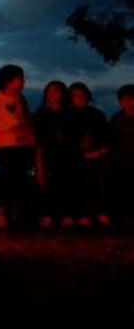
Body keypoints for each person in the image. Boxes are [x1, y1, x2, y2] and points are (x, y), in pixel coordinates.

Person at [0, 65, 36, 229]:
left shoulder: (21, 100)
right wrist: (9, 124)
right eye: (20, 79)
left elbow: (27, 121)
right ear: (9, 81)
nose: (23, 82)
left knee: (21, 179)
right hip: (5, 145)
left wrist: (30, 138)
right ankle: (2, 211)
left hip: (23, 144)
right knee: (7, 178)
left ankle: (18, 213)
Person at [32, 80, 79, 229]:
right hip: (48, 154)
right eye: (50, 90)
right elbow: (37, 141)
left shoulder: (71, 114)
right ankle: (47, 214)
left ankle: (68, 214)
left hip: (68, 154)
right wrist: (38, 162)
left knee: (68, 183)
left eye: (56, 90)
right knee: (48, 183)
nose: (53, 94)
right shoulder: (40, 116)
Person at [68, 82, 112, 227]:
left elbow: (107, 137)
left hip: (99, 156)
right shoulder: (67, 116)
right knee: (80, 181)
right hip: (75, 158)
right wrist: (81, 153)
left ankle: (102, 212)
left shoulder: (96, 114)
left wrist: (99, 151)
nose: (79, 98)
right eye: (75, 95)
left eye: (82, 95)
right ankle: (83, 213)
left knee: (102, 180)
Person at [110, 84, 134, 222]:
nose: (128, 102)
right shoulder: (117, 119)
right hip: (122, 162)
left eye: (130, 98)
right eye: (124, 99)